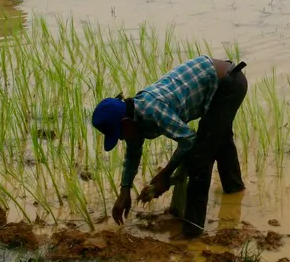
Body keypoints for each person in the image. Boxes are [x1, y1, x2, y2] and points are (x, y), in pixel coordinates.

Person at [92, 56, 247, 238]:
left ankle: (192, 231)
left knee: (199, 159)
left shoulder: (151, 110)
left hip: (228, 84)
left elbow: (188, 139)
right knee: (218, 137)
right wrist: (124, 191)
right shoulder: (132, 119)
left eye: (119, 135)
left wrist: (165, 174)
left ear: (125, 123)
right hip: (218, 81)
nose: (121, 139)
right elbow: (132, 155)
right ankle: (235, 190)